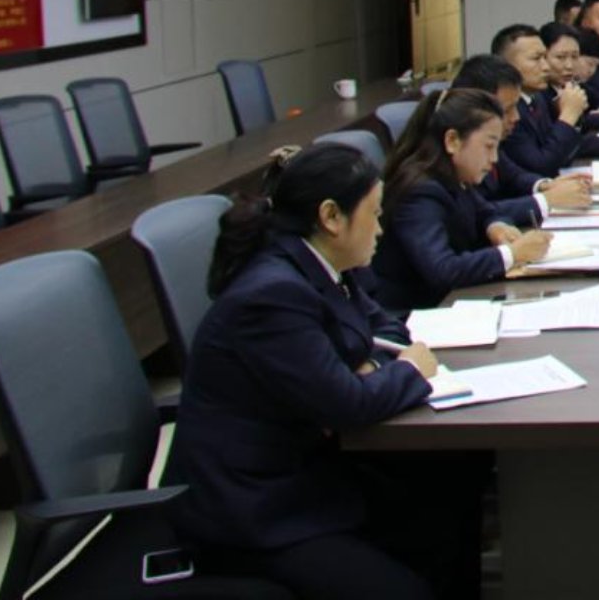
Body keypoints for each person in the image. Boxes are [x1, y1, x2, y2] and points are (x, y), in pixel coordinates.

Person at [167, 144, 483, 599]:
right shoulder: (271, 294)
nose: (380, 229)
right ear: (331, 216)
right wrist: (409, 370)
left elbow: (387, 328)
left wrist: (369, 367)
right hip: (253, 505)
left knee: (451, 497)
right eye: (374, 214)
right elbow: (348, 404)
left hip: (310, 466)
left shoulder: (326, 263)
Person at [370, 89, 551, 313]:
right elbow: (442, 270)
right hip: (413, 315)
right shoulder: (419, 192)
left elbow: (485, 210)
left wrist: (496, 226)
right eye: (489, 146)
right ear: (452, 141)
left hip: (449, 301)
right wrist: (511, 254)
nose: (494, 159)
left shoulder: (452, 173)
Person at [448, 53, 592, 222]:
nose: (516, 117)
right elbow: (477, 213)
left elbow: (513, 176)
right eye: (507, 110)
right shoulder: (451, 160)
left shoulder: (492, 140)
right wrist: (546, 200)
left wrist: (546, 185)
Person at [538, 21, 599, 156]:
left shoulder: (571, 84)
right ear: (542, 57)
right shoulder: (539, 95)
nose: (569, 65)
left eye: (575, 57)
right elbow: (550, 147)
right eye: (560, 57)